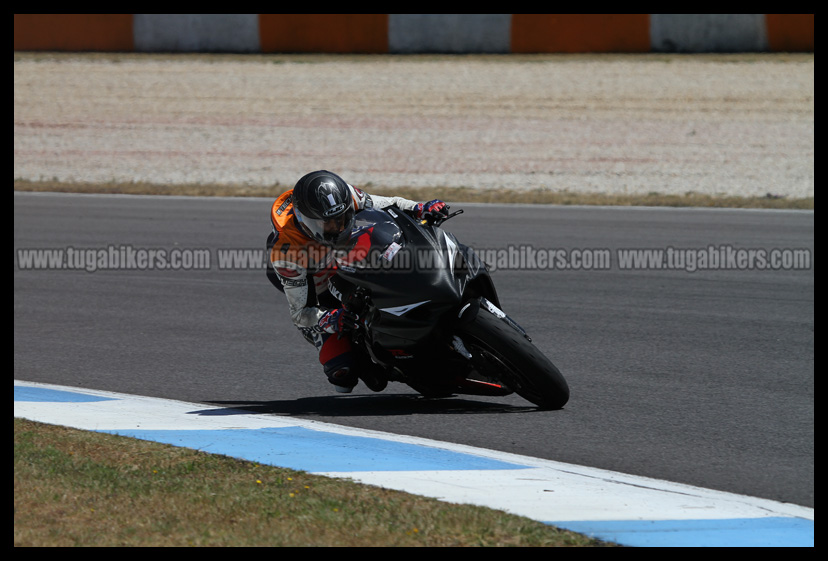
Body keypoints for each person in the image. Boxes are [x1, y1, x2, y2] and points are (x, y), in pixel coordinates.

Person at [266, 170, 449, 393]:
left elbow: (389, 204)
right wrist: (329, 318)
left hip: (350, 256)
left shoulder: (345, 196)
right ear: (307, 222)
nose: (338, 227)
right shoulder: (286, 253)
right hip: (319, 289)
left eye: (342, 218)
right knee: (343, 374)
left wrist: (418, 207)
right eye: (329, 224)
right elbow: (300, 314)